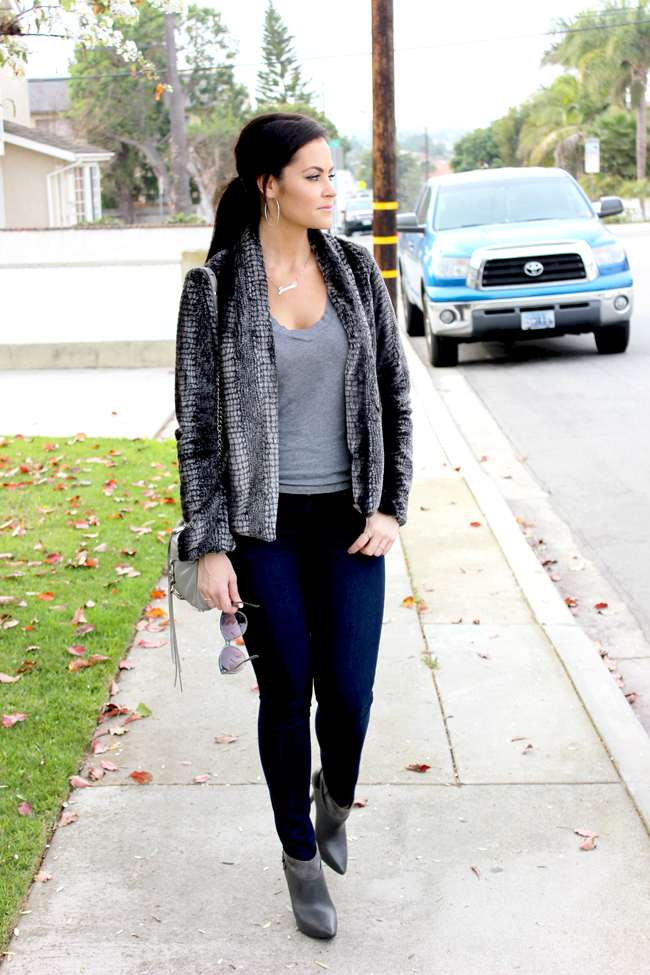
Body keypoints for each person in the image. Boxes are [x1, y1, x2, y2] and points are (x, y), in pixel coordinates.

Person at [174, 113, 412, 940]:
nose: (330, 188)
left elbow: (395, 394)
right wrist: (209, 543)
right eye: (314, 175)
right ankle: (300, 856)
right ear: (268, 184)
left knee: (348, 695)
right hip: (262, 529)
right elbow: (198, 429)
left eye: (331, 173)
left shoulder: (354, 269)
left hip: (350, 523)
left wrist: (391, 504)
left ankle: (334, 798)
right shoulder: (214, 290)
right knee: (287, 695)